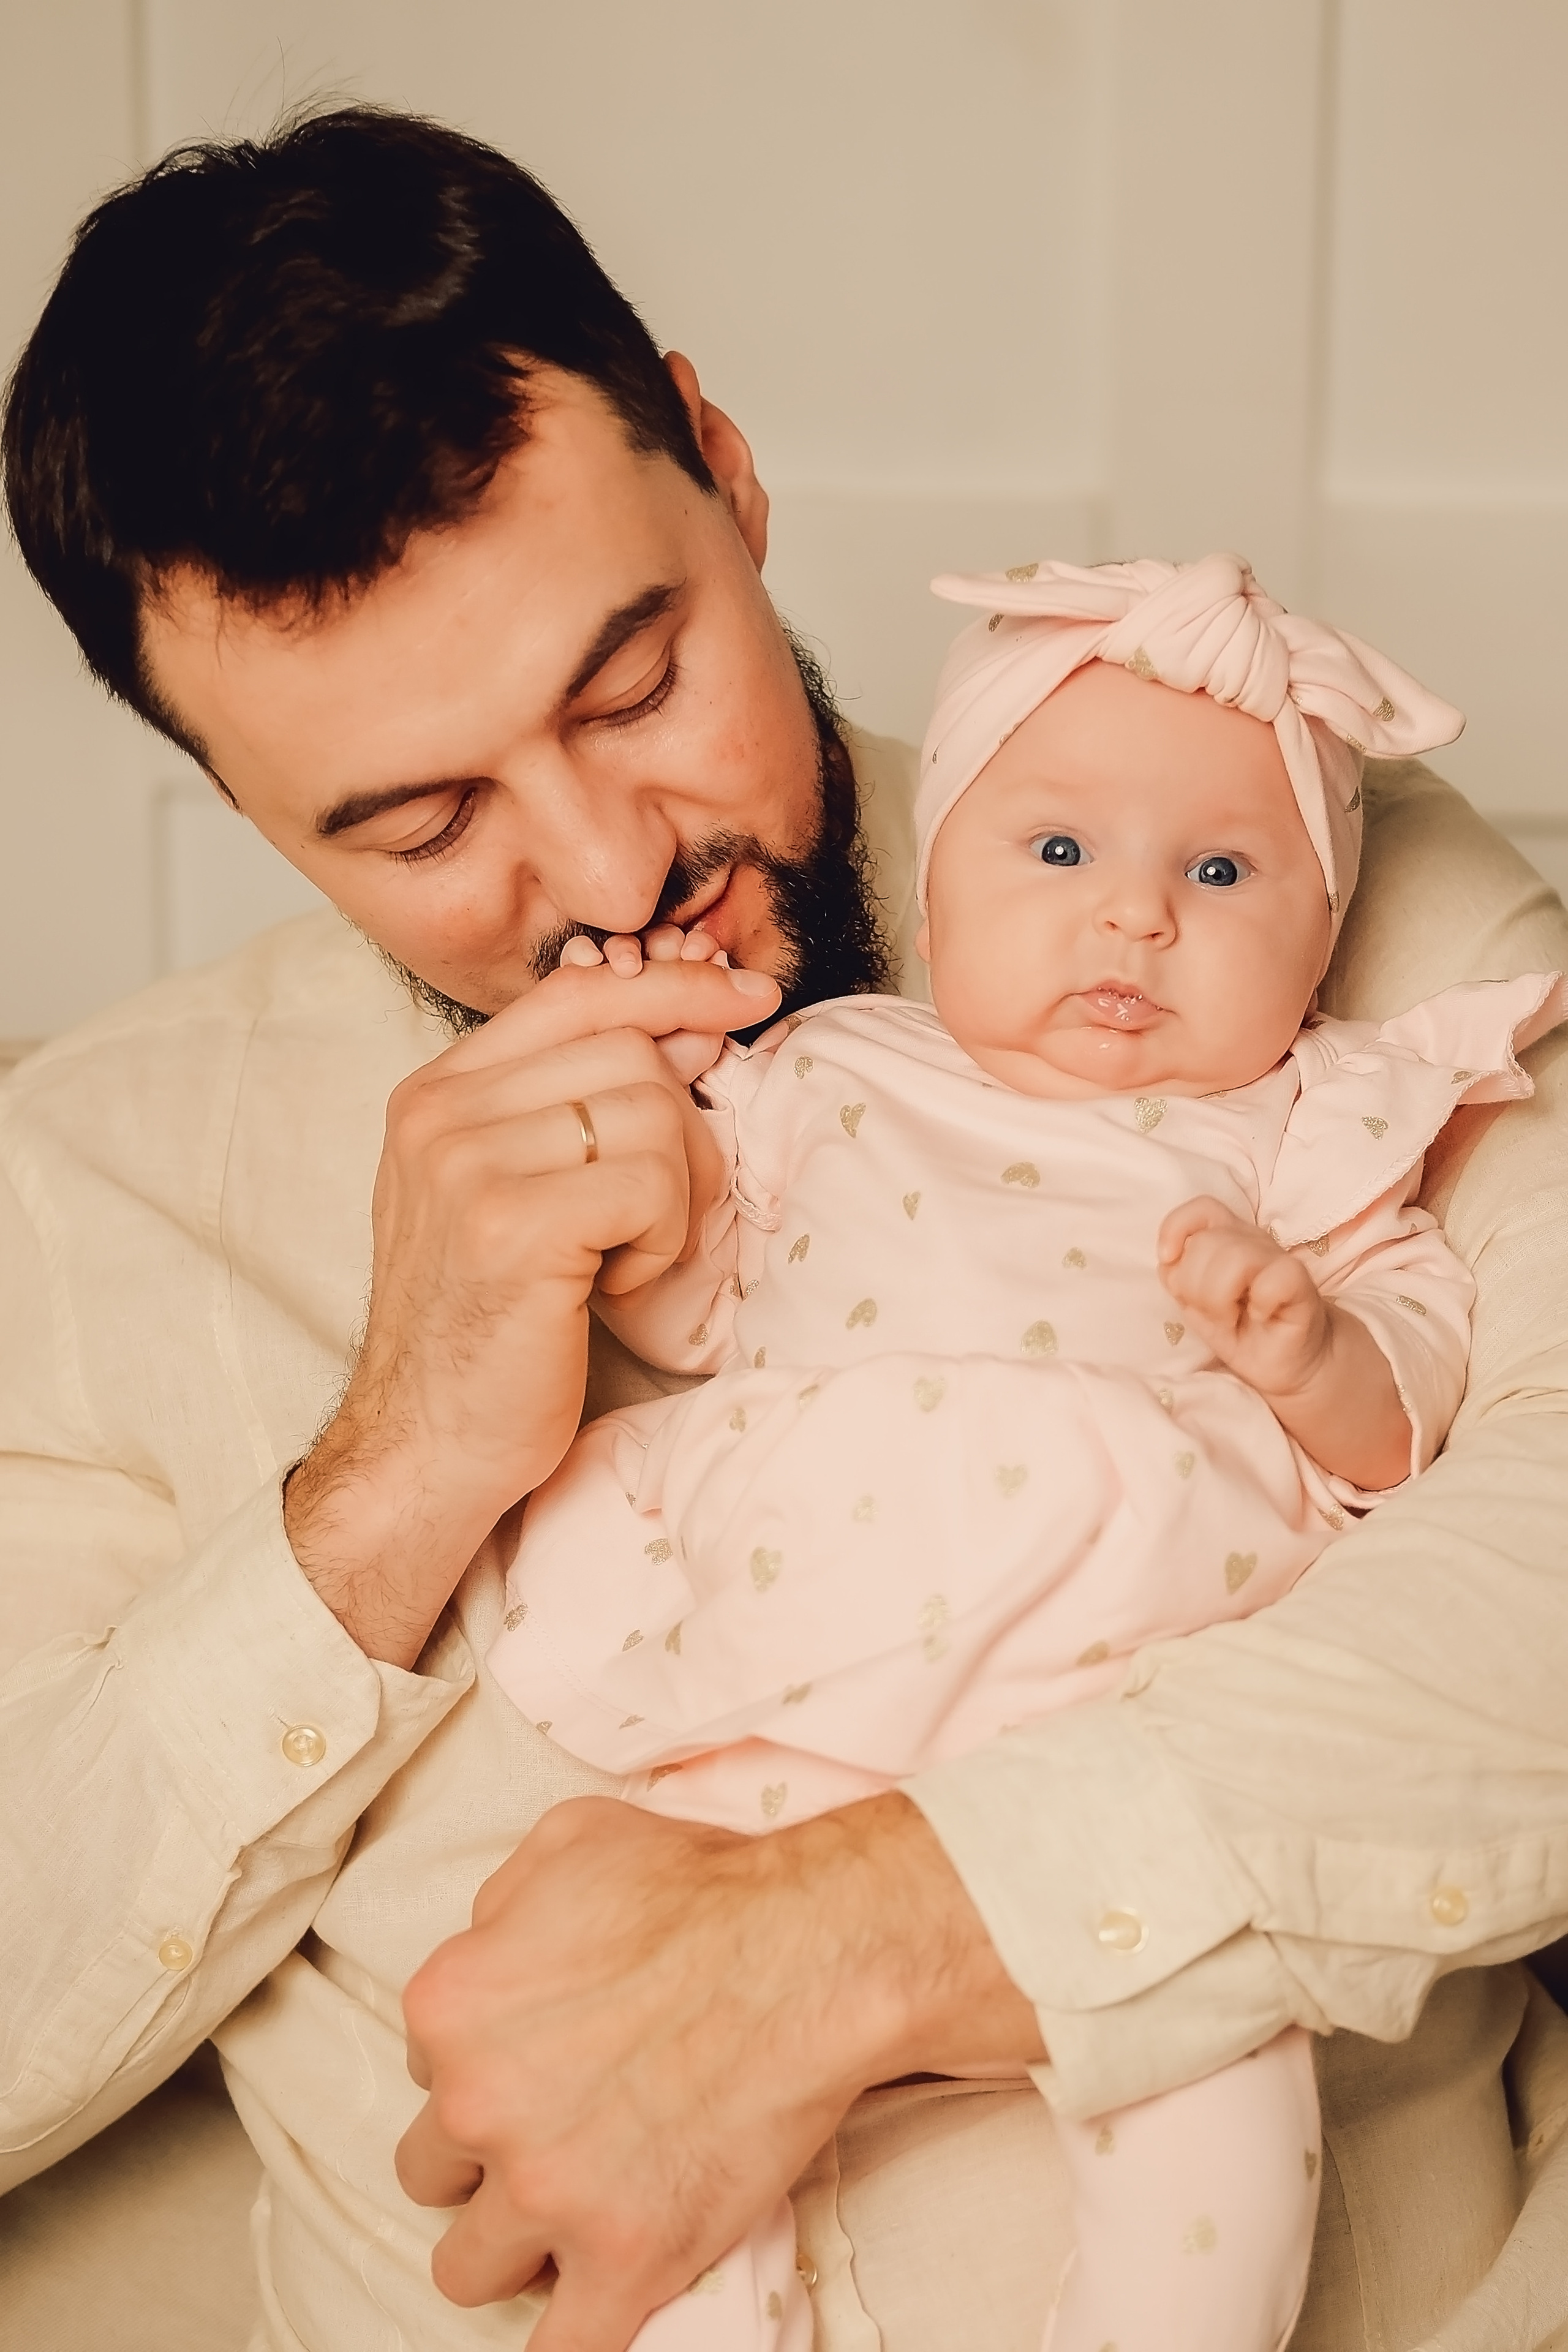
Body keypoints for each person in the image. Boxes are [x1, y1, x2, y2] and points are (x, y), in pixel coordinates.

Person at [1, 104, 1567, 2352]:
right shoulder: (105, 1178)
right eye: (425, 821)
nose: (612, 870)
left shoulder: (1252, 862)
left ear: (728, 475)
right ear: (241, 803)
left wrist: (862, 1938)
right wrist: (391, 1473)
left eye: (634, 686)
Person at [486, 553, 1559, 2352]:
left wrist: (1314, 1349)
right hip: (797, 1676)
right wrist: (647, 1120)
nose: (1134, 919)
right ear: (938, 882)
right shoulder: (828, 1070)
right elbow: (680, 1315)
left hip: (1124, 1712)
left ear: (1322, 939)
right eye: (1059, 853)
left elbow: (1414, 1416)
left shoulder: (1307, 1132)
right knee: (667, 2090)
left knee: (1218, 2085)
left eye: (1220, 874)